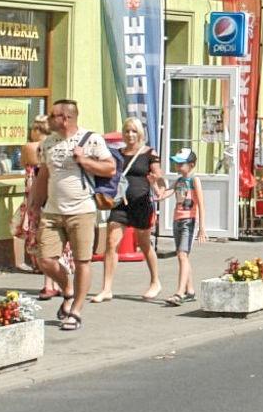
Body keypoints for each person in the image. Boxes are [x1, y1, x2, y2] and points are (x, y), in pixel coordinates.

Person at [28, 99, 115, 332]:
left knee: (82, 261)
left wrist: (84, 160)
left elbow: (111, 168)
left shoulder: (91, 139)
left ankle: (76, 310)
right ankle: (67, 288)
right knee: (44, 259)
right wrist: (34, 205)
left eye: (53, 115)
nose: (48, 118)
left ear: (65, 118)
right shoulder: (48, 143)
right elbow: (43, 176)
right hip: (53, 211)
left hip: (82, 211)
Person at [95, 117, 165, 302]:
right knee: (111, 242)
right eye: (127, 131)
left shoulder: (149, 153)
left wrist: (156, 179)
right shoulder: (117, 154)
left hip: (141, 204)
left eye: (134, 131)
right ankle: (107, 288)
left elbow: (158, 175)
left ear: (140, 133)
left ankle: (155, 281)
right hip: (120, 204)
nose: (130, 134)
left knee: (143, 244)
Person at [13, 118, 53, 294]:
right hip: (49, 195)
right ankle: (52, 274)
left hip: (32, 191)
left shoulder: (29, 147)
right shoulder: (51, 148)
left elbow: (23, 164)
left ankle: (37, 264)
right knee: (48, 234)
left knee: (34, 229)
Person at [163, 148, 201, 307]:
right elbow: (163, 194)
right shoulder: (178, 181)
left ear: (191, 165)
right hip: (177, 220)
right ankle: (190, 290)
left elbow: (201, 204)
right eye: (176, 164)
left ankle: (179, 293)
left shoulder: (194, 181)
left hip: (189, 220)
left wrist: (202, 228)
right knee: (182, 255)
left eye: (181, 164)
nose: (178, 167)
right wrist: (153, 184)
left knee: (182, 255)